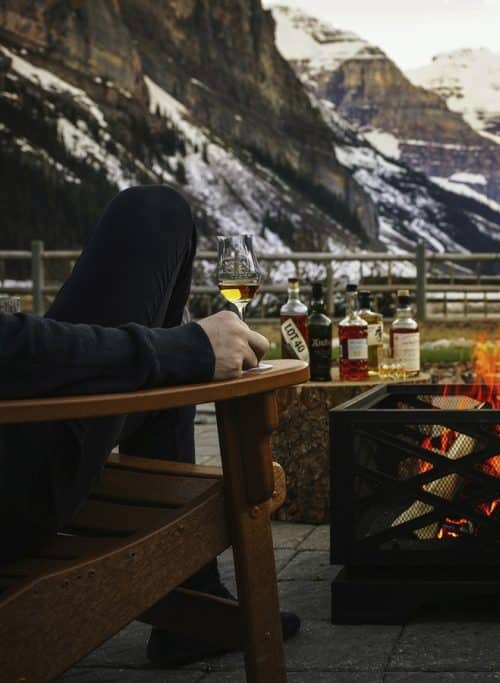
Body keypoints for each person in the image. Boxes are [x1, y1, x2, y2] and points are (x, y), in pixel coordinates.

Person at [0, 185, 299, 665]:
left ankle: (193, 591)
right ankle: (193, 594)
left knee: (155, 275)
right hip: (17, 485)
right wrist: (188, 349)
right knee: (153, 212)